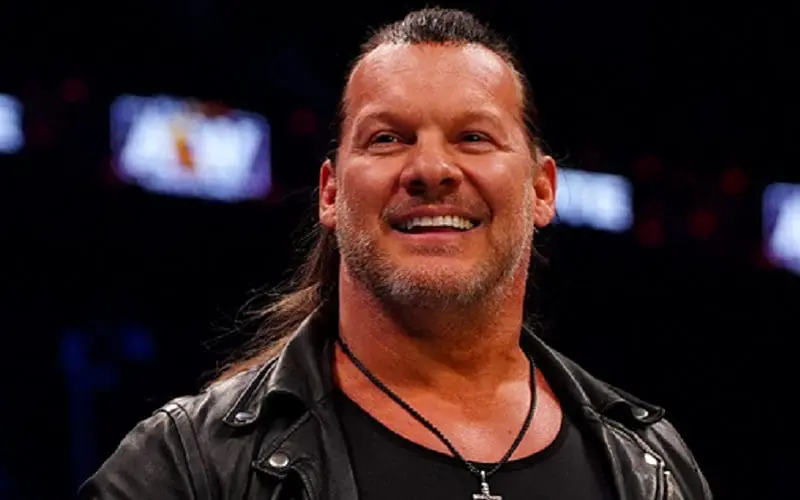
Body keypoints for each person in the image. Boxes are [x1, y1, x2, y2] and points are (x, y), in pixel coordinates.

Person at [79, 7, 712, 500]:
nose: (431, 169)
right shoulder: (186, 466)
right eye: (387, 139)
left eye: (473, 137)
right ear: (330, 193)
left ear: (542, 190)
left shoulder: (651, 466)